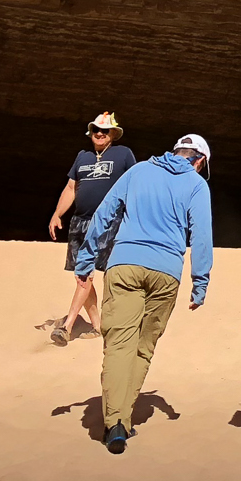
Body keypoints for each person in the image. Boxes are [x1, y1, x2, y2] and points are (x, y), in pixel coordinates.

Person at [77, 133, 213, 454]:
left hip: (125, 264)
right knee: (143, 347)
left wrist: (86, 258)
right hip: (166, 272)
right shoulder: (196, 185)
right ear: (200, 160)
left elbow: (105, 212)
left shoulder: (138, 171)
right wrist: (200, 282)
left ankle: (115, 424)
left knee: (118, 345)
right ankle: (122, 419)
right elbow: (202, 234)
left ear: (176, 150)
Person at [46, 114, 137, 345]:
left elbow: (135, 185)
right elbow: (70, 187)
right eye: (96, 129)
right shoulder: (82, 157)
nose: (100, 133)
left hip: (109, 221)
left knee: (95, 273)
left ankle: (67, 327)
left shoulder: (123, 154)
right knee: (81, 275)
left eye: (105, 131)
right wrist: (57, 214)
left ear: (113, 135)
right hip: (80, 222)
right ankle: (97, 326)